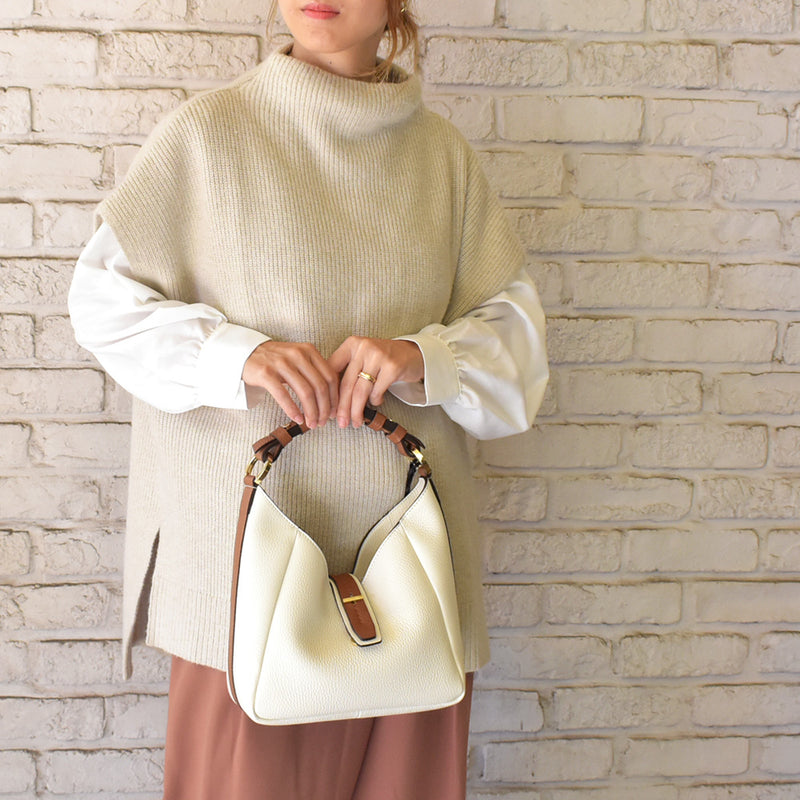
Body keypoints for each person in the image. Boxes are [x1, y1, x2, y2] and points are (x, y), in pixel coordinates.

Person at [68, 0, 549, 797]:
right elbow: (102, 305)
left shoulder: (443, 158)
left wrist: (421, 357)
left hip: (416, 587)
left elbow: (517, 353)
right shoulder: (206, 135)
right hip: (241, 585)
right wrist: (237, 355)